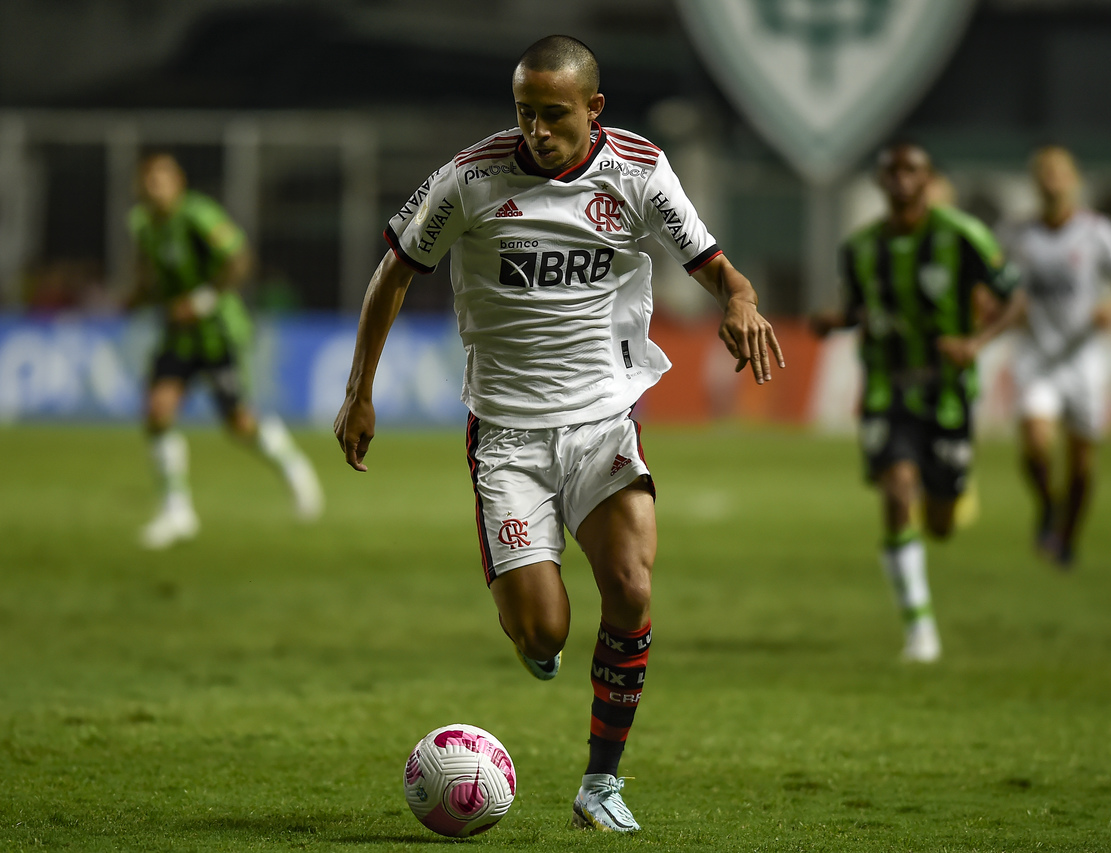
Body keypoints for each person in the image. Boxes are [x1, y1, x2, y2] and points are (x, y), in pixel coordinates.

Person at [333, 35, 783, 832]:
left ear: (592, 109)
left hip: (603, 420)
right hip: (506, 434)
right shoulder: (471, 178)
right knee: (545, 630)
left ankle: (600, 783)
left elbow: (713, 264)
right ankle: (534, 636)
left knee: (632, 586)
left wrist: (740, 298)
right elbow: (394, 271)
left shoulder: (640, 170)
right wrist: (358, 390)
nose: (536, 131)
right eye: (524, 113)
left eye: (553, 115)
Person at [812, 142, 1023, 663]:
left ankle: (952, 492)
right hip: (887, 387)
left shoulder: (962, 236)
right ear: (882, 184)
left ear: (928, 180)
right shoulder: (860, 248)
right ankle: (920, 631)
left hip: (947, 393)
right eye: (892, 172)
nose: (902, 179)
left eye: (913, 171)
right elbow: (860, 309)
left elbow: (1015, 299)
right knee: (898, 489)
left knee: (941, 525)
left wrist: (974, 344)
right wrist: (835, 320)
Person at [127, 153, 323, 550]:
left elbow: (239, 259)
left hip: (218, 332)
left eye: (162, 180)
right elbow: (150, 274)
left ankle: (293, 467)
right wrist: (135, 297)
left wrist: (201, 300)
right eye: (149, 181)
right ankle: (177, 512)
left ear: (178, 183)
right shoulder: (143, 226)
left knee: (239, 423)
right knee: (158, 411)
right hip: (178, 336)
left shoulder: (198, 215)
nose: (155, 188)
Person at [1003, 146, 1111, 568]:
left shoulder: (1096, 231)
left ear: (1074, 180)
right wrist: (1002, 307)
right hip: (1036, 355)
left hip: (1082, 359)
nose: (1052, 181)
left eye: (1059, 173)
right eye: (1044, 173)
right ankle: (1047, 506)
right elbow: (987, 282)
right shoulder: (1015, 234)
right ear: (1035, 182)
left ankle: (1068, 539)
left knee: (1081, 466)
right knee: (1036, 445)